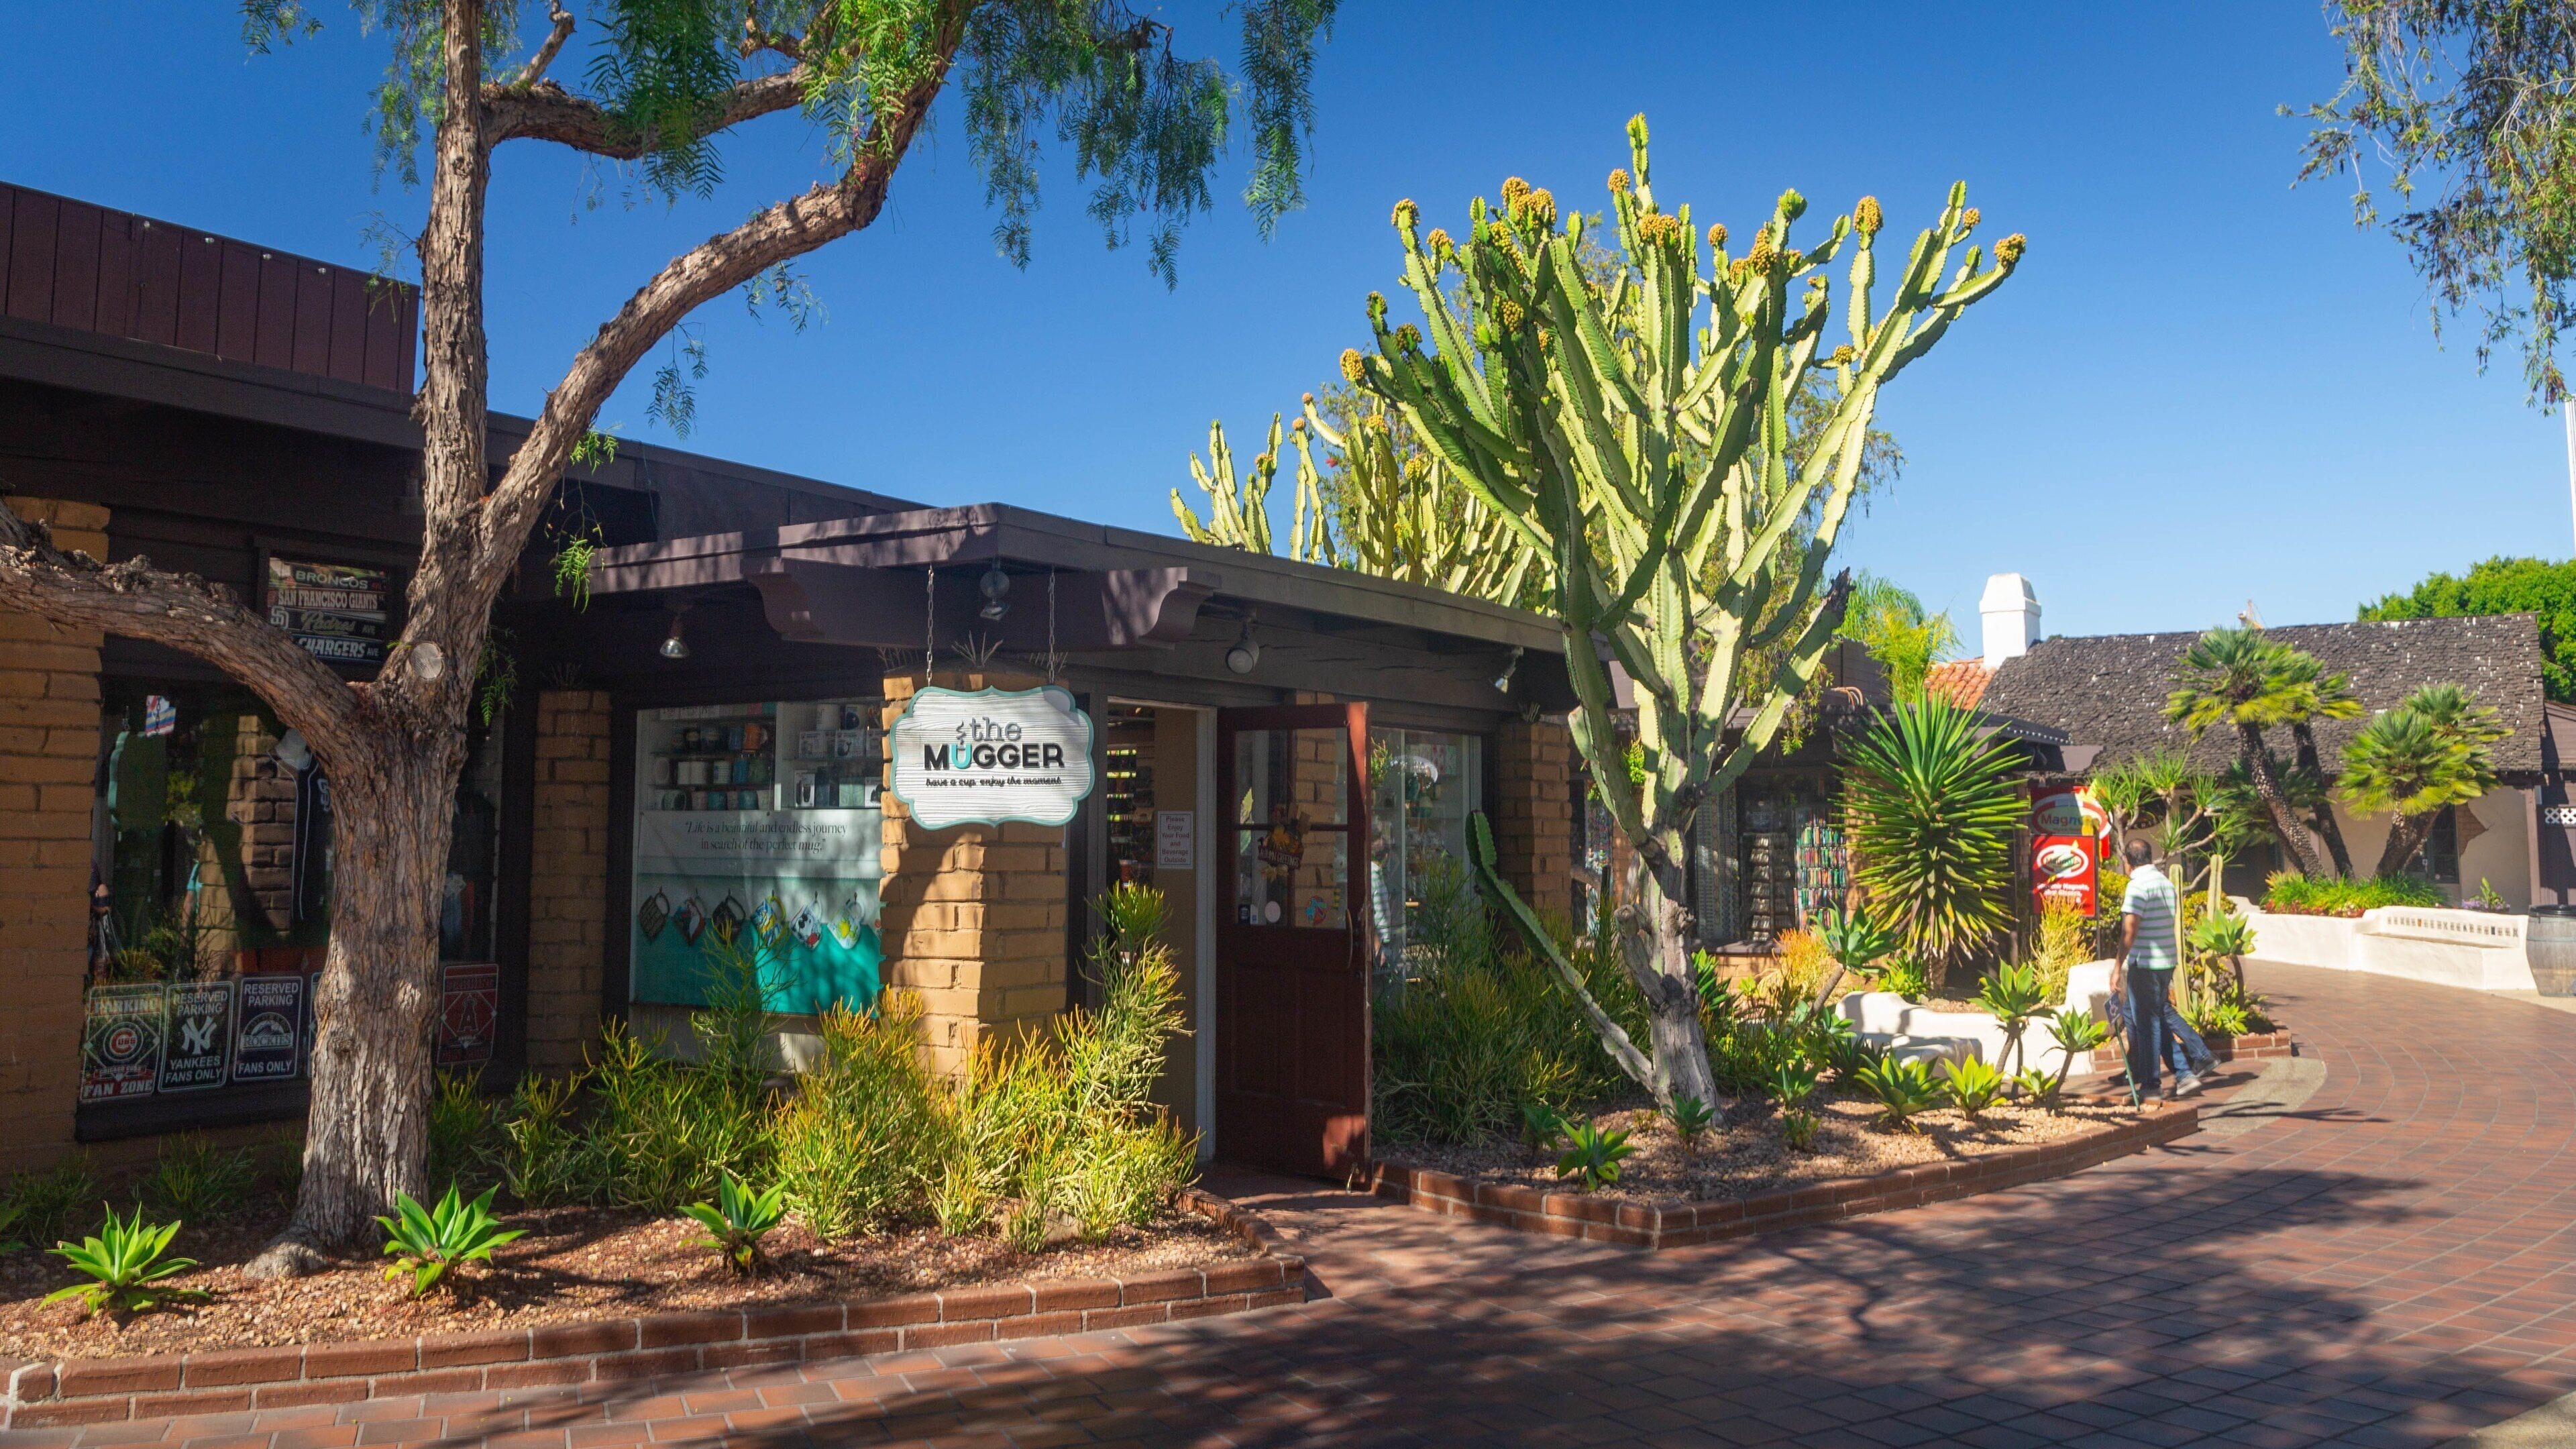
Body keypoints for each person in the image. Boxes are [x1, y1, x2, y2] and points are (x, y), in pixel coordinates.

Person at [2110, 837, 2200, 1098]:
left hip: (2146, 964)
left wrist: (2118, 965)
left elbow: (2130, 930)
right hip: (2167, 963)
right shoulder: (2165, 882)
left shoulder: (2137, 886)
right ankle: (2184, 1074)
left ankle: (2152, 1085)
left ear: (2127, 861)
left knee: (2146, 1025)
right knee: (2156, 1020)